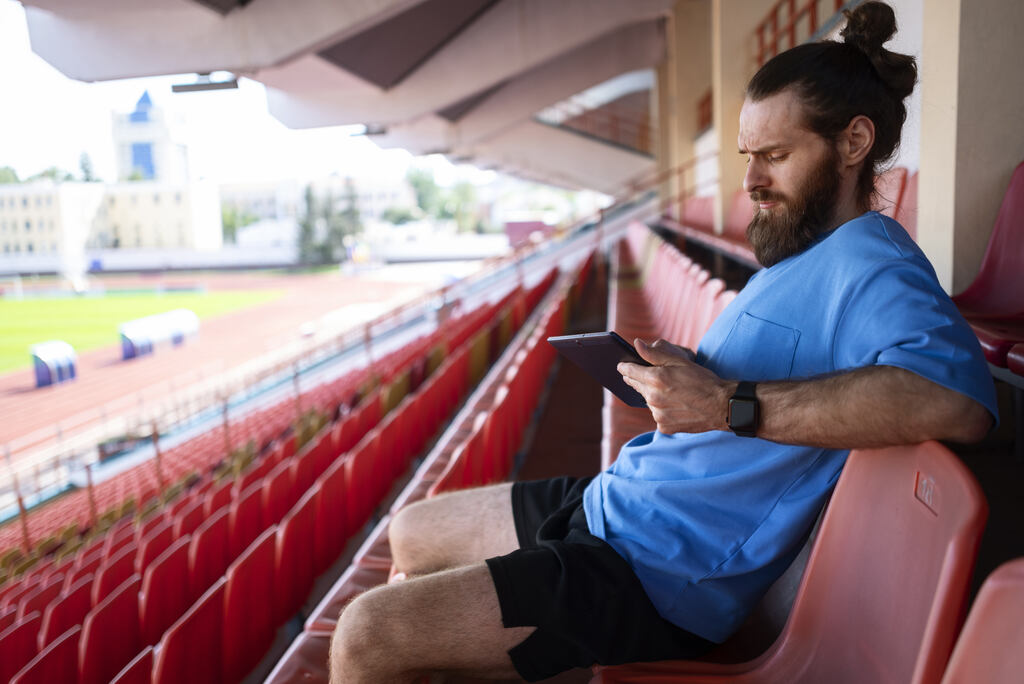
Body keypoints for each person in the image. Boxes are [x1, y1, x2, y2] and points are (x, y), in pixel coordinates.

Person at [329, 3, 997, 682]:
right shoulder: (802, 250)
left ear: (854, 143)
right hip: (617, 500)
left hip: (653, 572)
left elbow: (957, 400)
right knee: (412, 529)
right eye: (748, 157)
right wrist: (689, 375)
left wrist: (725, 403)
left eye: (775, 157)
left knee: (366, 636)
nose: (752, 183)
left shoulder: (875, 264)